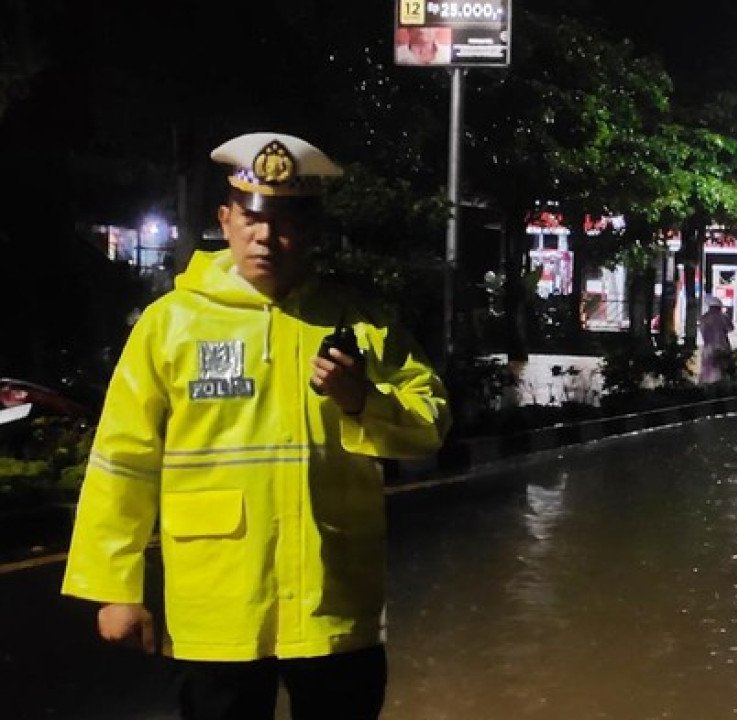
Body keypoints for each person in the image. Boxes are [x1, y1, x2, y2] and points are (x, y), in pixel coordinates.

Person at [61, 132, 451, 720]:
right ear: (226, 220)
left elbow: (430, 424)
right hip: (218, 608)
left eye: (287, 222)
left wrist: (362, 402)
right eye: (252, 219)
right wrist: (115, 587)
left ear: (314, 231)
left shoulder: (360, 324)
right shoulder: (171, 325)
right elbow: (123, 459)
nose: (266, 237)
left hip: (332, 605)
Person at [698, 296, 734, 383]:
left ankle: (706, 384)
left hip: (708, 347)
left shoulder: (703, 318)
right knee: (723, 369)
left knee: (707, 368)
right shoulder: (723, 317)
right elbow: (731, 328)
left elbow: (702, 330)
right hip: (723, 346)